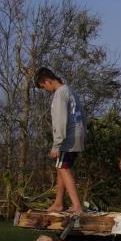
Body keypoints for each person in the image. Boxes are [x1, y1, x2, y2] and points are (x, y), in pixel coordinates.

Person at [35, 67, 85, 213]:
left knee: (63, 168)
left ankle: (76, 206)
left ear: (47, 81)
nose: (46, 90)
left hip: (67, 138)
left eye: (44, 87)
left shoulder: (59, 94)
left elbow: (60, 121)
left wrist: (56, 145)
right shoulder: (69, 90)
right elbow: (82, 114)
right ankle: (58, 203)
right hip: (77, 134)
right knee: (60, 167)